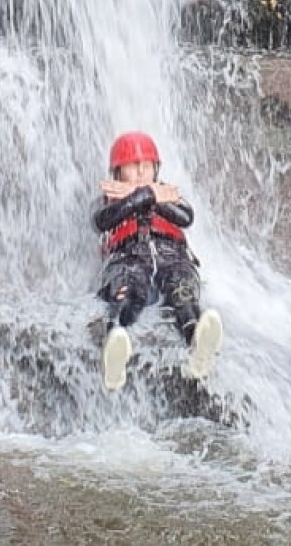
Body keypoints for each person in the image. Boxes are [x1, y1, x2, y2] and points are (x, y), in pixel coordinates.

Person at [92, 131, 223, 391]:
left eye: (147, 165)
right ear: (118, 172)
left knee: (181, 290)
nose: (141, 171)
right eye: (133, 166)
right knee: (128, 291)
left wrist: (149, 194)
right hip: (128, 257)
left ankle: (197, 344)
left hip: (171, 255)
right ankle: (115, 343)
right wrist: (143, 195)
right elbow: (101, 221)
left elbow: (186, 217)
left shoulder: (170, 195)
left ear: (156, 168)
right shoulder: (107, 200)